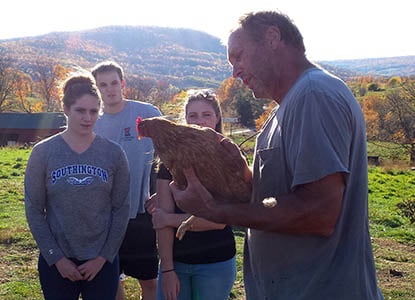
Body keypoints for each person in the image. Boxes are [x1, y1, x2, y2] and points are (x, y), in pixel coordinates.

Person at [170, 11, 384, 300]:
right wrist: (242, 173)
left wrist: (214, 210)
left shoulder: (313, 95)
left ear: (272, 38)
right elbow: (278, 197)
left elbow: (319, 213)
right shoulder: (284, 108)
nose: (235, 72)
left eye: (239, 56)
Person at [24, 74, 130, 300]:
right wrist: (57, 258)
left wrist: (103, 258)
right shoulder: (43, 153)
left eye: (93, 111)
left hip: (101, 263)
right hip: (58, 262)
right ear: (66, 109)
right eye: (80, 111)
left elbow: (121, 209)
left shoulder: (113, 154)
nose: (87, 118)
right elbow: (34, 209)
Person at [146, 90, 236, 300]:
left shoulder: (228, 157)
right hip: (176, 262)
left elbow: (219, 221)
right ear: (185, 119)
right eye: (193, 115)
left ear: (217, 118)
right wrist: (167, 270)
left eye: (206, 115)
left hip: (216, 262)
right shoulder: (170, 160)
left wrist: (169, 219)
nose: (200, 121)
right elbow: (161, 220)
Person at [92, 61, 162, 300]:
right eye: (103, 85)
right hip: (105, 216)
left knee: (150, 280)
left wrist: (163, 192)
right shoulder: (93, 122)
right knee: (112, 279)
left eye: (113, 83)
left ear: (122, 84)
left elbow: (169, 156)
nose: (110, 90)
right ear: (97, 89)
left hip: (141, 212)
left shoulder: (147, 114)